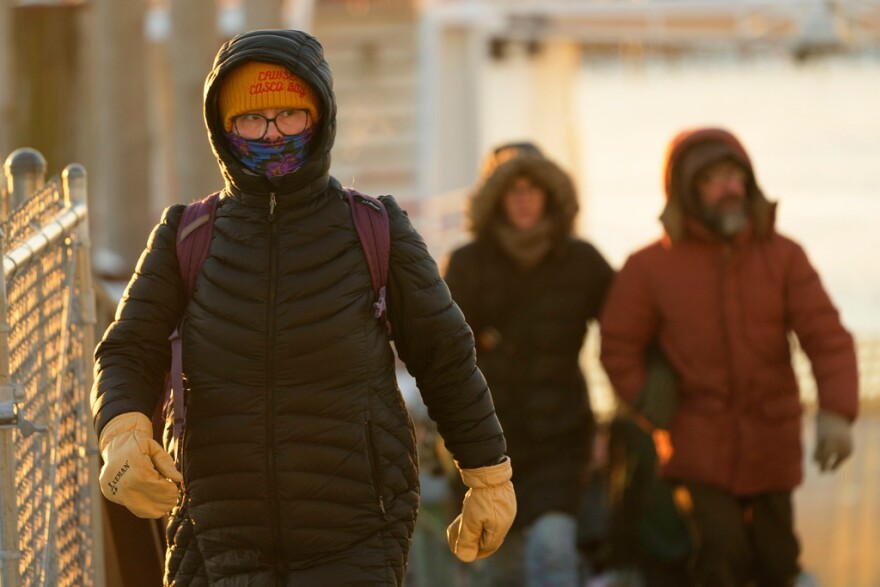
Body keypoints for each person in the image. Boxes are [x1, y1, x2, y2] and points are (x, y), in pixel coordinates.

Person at [90, 29, 516, 586]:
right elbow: (129, 347)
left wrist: (487, 474)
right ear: (223, 127)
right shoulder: (186, 235)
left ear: (320, 117)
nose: (271, 133)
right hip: (216, 533)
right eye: (251, 119)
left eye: (289, 114)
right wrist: (121, 429)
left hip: (357, 532)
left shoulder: (376, 229)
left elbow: (445, 358)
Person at [599, 127, 859, 587]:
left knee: (778, 561)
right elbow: (618, 344)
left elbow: (826, 336)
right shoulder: (649, 268)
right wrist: (648, 400)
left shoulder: (783, 256)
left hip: (772, 441)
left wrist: (836, 412)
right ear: (685, 191)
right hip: (695, 444)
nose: (729, 188)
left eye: (735, 176)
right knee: (721, 555)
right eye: (713, 179)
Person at [443, 142, 615, 587]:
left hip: (561, 439)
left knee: (553, 550)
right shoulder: (467, 265)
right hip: (487, 446)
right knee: (503, 567)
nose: (523, 199)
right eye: (513, 188)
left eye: (533, 188)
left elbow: (626, 337)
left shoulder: (582, 262)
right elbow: (439, 356)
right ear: (495, 197)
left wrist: (611, 425)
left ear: (551, 196)